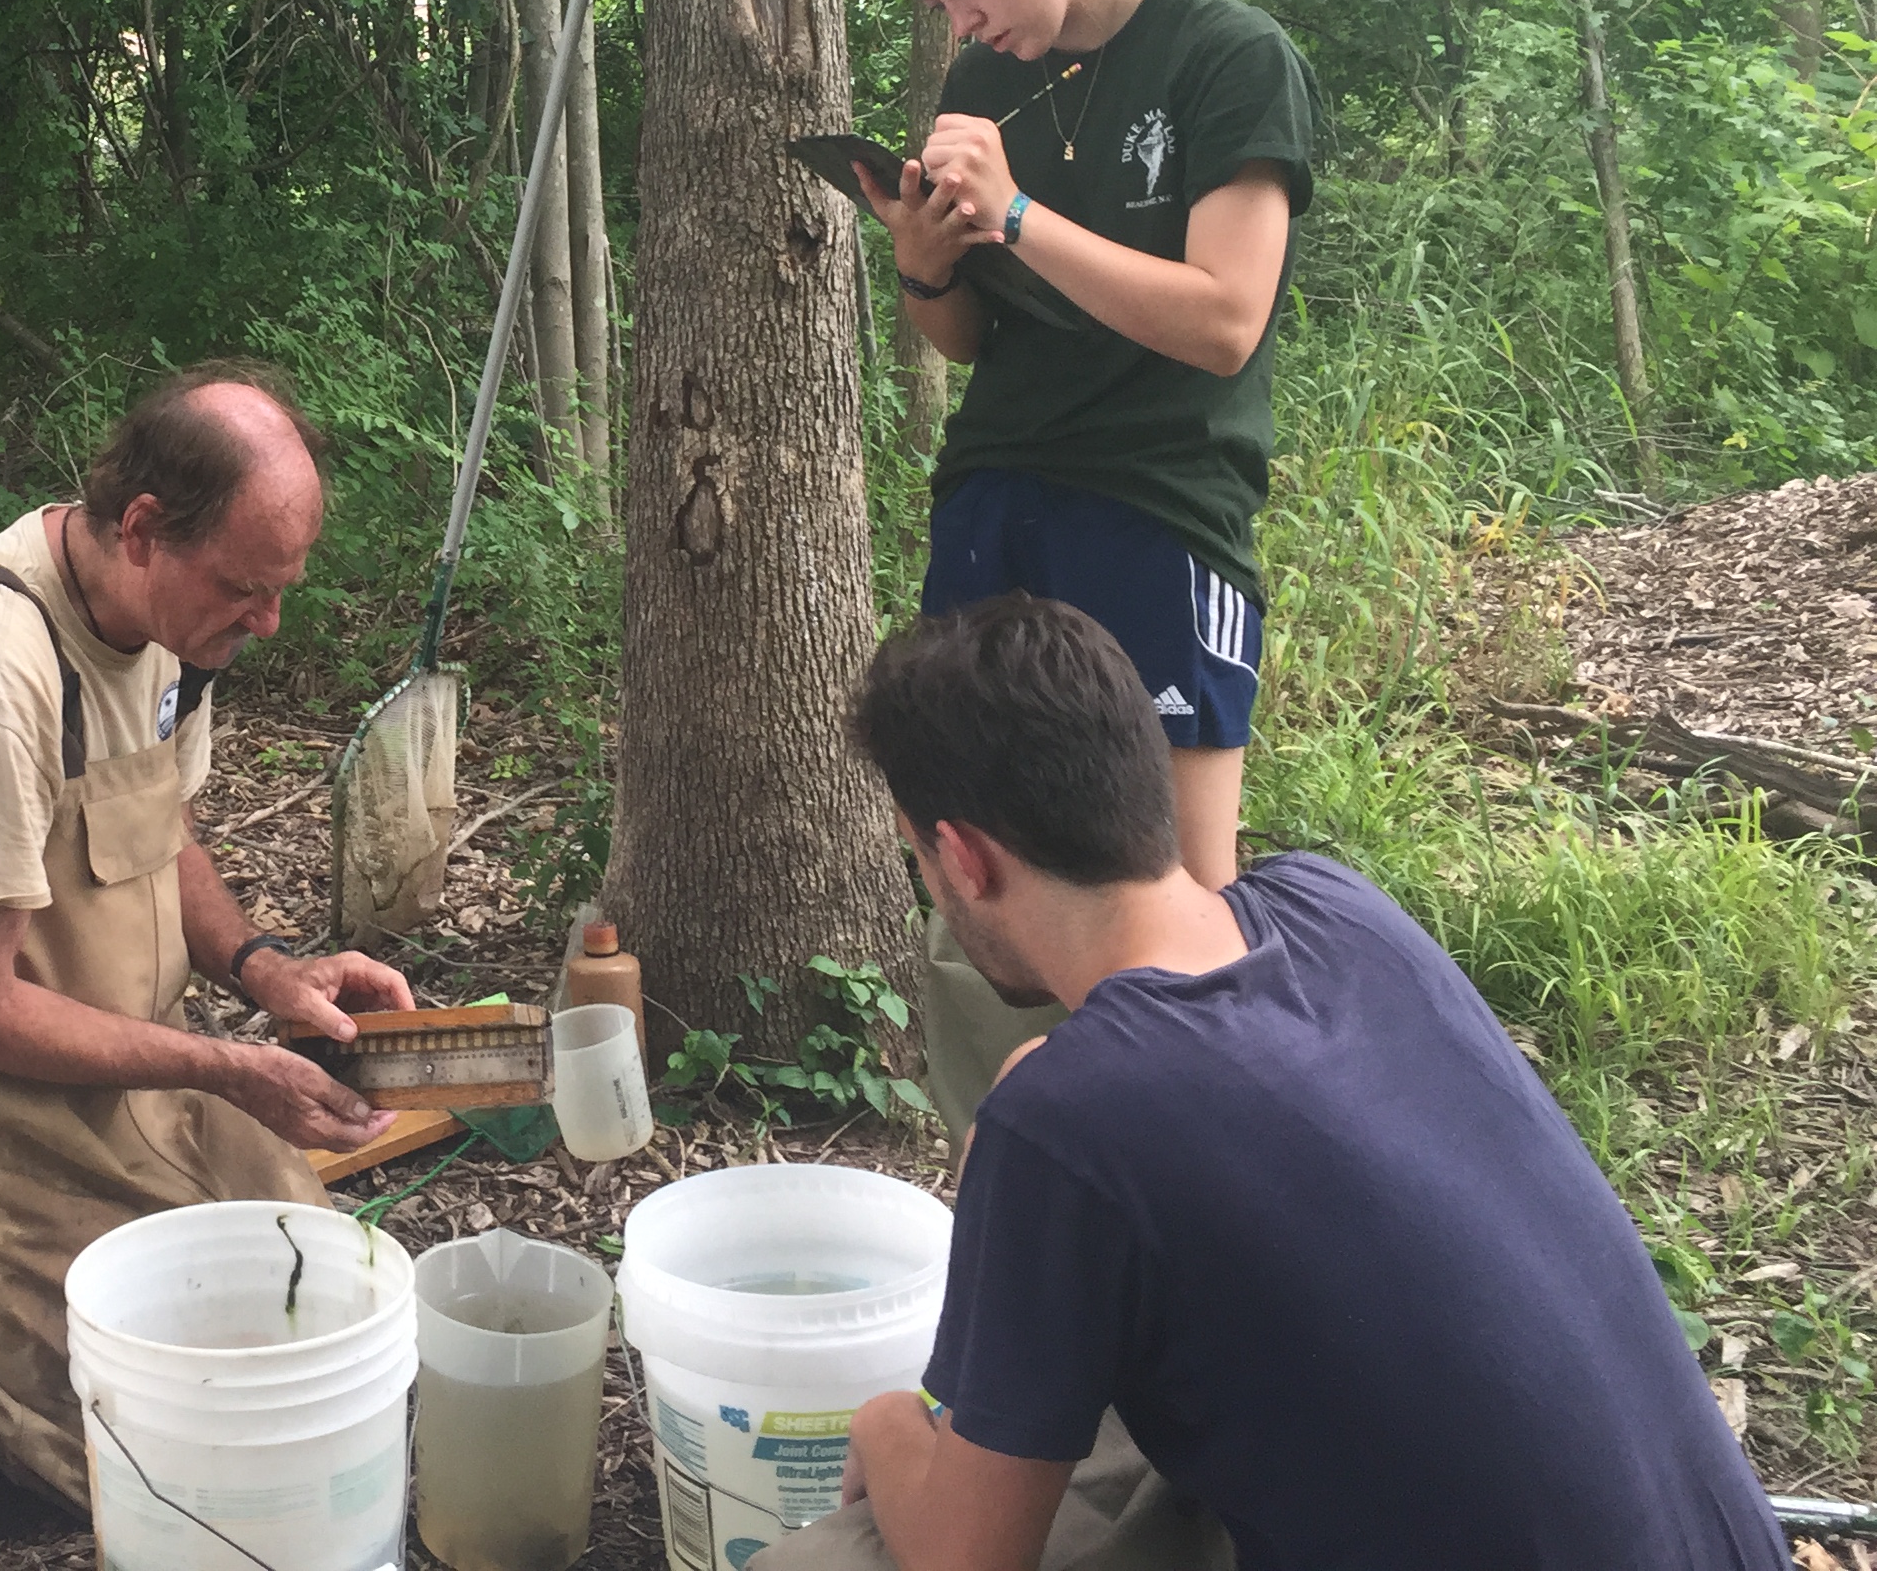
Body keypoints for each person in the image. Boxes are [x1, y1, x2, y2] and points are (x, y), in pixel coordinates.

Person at [763, 594, 1789, 1571]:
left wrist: (885, 1421)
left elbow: (964, 1558)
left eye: (919, 861)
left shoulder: (1069, 1124)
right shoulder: (1334, 906)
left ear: (964, 858)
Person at [0, 362, 414, 1508]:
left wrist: (264, 968)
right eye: (247, 587)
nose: (268, 621)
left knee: (313, 1306)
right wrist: (228, 1067)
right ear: (145, 528)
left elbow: (163, 828)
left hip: (103, 1065)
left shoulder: (170, 628)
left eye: (281, 588)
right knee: (127, 1442)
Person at [848, 0, 1326, 1132]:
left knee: (1170, 890)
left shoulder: (1228, 59)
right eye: (934, 2)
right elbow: (971, 348)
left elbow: (1227, 321)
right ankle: (1002, 1178)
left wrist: (1011, 222)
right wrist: (928, 265)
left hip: (1159, 510)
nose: (959, 17)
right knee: (973, 863)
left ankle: (1195, 1189)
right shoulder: (988, 79)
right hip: (998, 499)